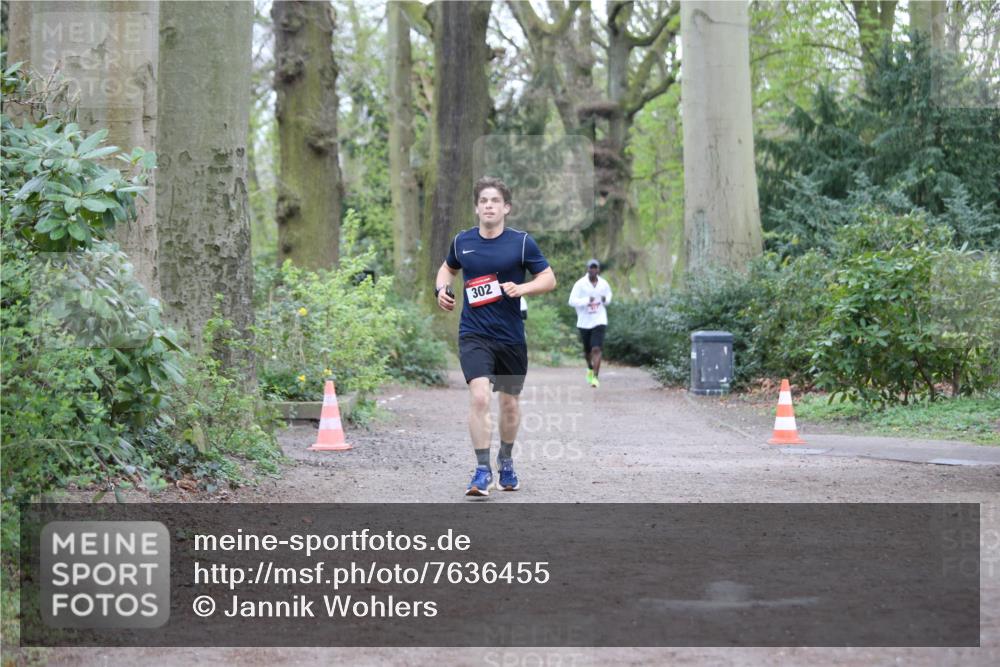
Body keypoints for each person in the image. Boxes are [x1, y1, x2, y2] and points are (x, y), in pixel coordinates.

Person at [435, 176, 557, 497]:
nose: (489, 205)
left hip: (510, 337)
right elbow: (447, 269)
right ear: (477, 208)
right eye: (483, 201)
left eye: (495, 201)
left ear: (506, 208)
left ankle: (505, 460)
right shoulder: (462, 241)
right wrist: (441, 289)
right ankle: (481, 470)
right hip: (474, 333)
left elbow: (548, 278)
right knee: (478, 397)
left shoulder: (521, 243)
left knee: (510, 405)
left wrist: (523, 288)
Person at [568, 258, 612, 388]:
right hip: (584, 321)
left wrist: (605, 299)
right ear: (587, 269)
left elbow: (608, 296)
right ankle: (589, 367)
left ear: (598, 270)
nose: (593, 270)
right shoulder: (580, 284)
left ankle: (595, 378)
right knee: (588, 351)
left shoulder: (603, 283)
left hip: (599, 319)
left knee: (596, 349)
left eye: (595, 268)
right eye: (591, 268)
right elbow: (571, 301)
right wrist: (587, 300)